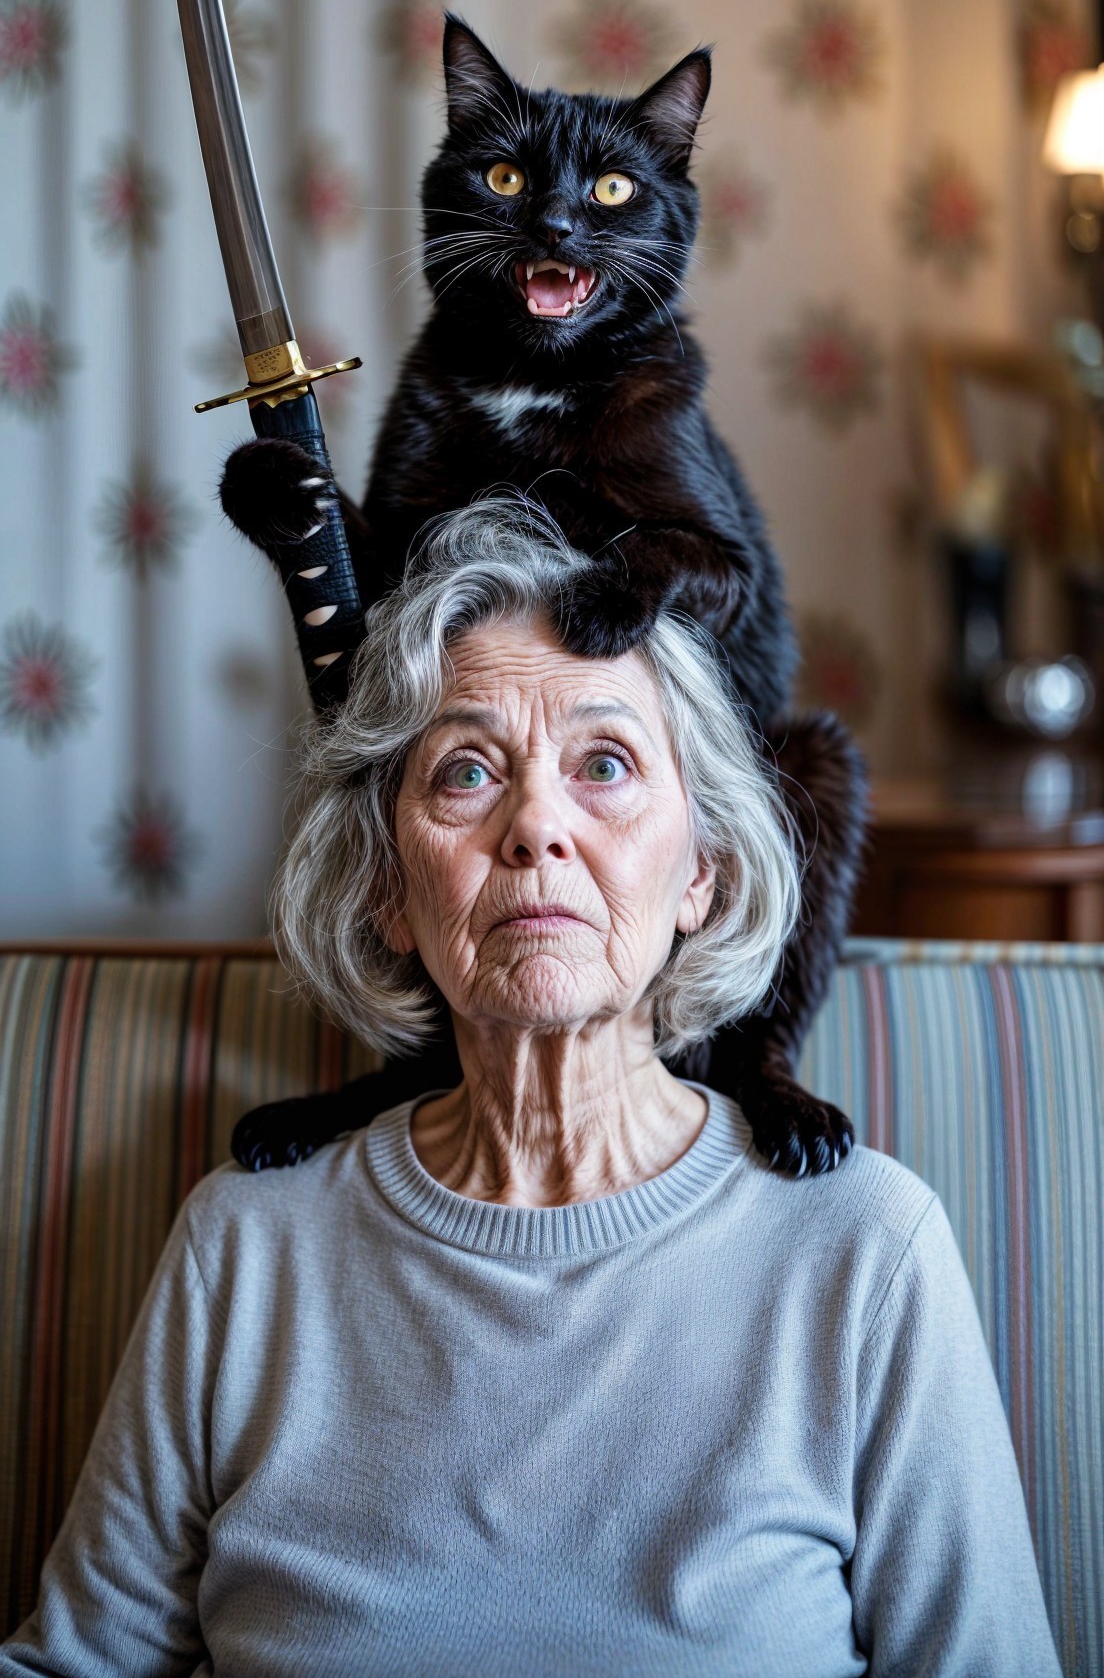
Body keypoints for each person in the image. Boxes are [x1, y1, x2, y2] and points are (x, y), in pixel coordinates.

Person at [2, 501, 1060, 1678]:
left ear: (702, 869)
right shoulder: (245, 1249)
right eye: (466, 772)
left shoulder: (866, 1254)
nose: (537, 826)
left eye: (604, 763)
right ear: (388, 891)